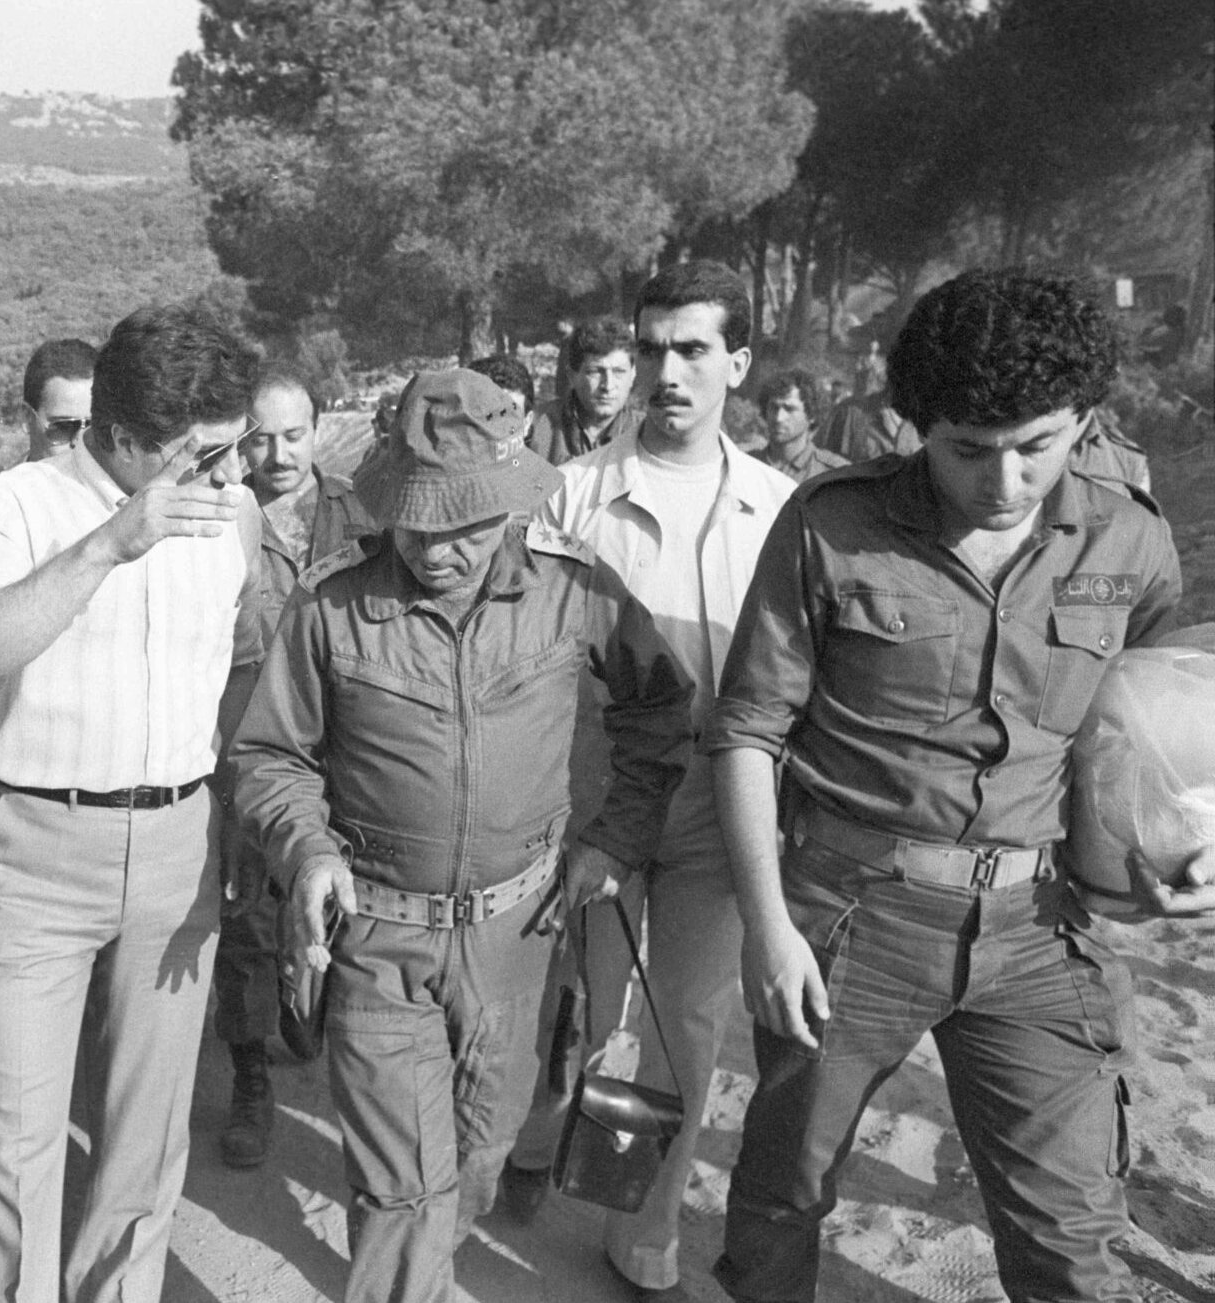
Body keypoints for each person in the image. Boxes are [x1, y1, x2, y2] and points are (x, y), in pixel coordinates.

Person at [708, 268, 1190, 1303]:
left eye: (1036, 445)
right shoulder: (830, 526)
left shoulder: (1129, 540)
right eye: (967, 449)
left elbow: (1158, 729)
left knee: (1070, 1239)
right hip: (848, 920)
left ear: (1085, 422)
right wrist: (766, 926)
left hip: (1035, 926)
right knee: (781, 1197)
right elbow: (745, 729)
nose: (1004, 480)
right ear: (910, 424)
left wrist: (1188, 848)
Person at [231, 368, 694, 1303]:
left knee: (479, 1158)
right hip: (380, 942)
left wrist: (613, 840)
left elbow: (659, 712)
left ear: (512, 508)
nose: (442, 548)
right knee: (403, 1189)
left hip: (519, 938)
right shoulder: (329, 608)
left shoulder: (575, 593)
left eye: (470, 524)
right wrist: (309, 848)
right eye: (421, 522)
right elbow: (269, 758)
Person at [0, 302, 262, 1303]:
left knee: (143, 1141)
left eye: (231, 452)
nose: (228, 478)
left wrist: (230, 807)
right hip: (33, 847)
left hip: (177, 846)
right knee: (16, 1142)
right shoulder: (5, 509)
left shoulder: (230, 514)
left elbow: (238, 666)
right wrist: (111, 542)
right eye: (203, 457)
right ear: (119, 435)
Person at [499, 262, 799, 1300]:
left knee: (690, 1023)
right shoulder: (567, 496)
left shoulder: (780, 509)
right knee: (574, 1011)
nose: (666, 372)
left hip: (723, 814)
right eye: (653, 348)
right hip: (594, 807)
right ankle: (532, 1144)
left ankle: (647, 1235)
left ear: (737, 363)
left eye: (693, 350)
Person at [211, 365, 374, 1170]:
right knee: (243, 904)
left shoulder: (355, 511)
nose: (277, 453)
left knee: (336, 883)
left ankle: (306, 991)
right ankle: (248, 1077)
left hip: (339, 734)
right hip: (241, 732)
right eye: (260, 436)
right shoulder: (216, 511)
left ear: (320, 429)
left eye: (294, 433)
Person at [528, 317, 643, 465]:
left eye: (619, 372)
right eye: (595, 372)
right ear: (572, 376)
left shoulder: (649, 435)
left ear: (633, 374)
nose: (608, 386)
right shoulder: (534, 429)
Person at [754, 369, 848, 484]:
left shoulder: (834, 474)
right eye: (774, 407)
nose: (779, 418)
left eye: (789, 409)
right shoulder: (743, 464)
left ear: (811, 414)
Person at [19, 336, 97, 462]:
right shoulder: (2, 482)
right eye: (64, 427)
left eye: (95, 429)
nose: (81, 445)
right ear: (27, 419)